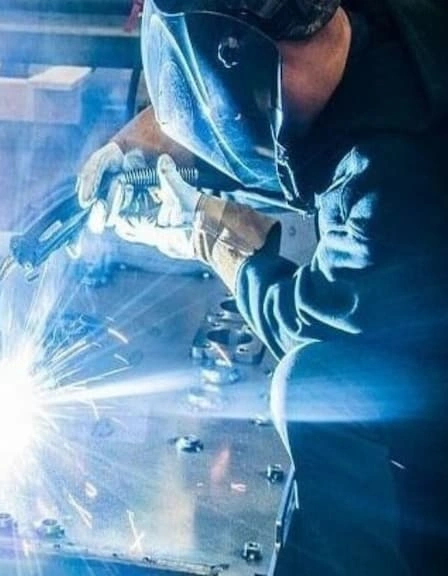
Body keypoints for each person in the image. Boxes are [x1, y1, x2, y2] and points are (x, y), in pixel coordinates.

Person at [78, 0, 448, 573]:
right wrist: (134, 145)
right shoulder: (370, 31)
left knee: (312, 385)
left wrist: (217, 239)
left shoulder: (388, 176)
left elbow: (309, 320)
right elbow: (256, 101)